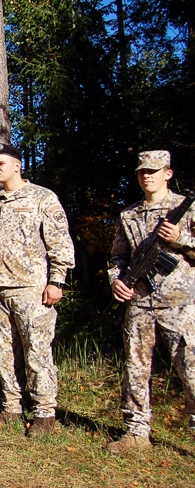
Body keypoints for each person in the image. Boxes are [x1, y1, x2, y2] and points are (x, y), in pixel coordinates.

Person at [0, 143, 75, 437]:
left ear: (18, 166)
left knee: (37, 351)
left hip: (32, 288)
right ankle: (12, 407)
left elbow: (60, 244)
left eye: (1, 163)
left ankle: (44, 412)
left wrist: (57, 280)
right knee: (5, 350)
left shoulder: (42, 198)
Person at [106, 150, 195, 453]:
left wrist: (183, 239)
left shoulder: (186, 208)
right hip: (139, 303)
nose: (147, 176)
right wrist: (116, 281)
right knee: (136, 369)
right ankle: (136, 433)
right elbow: (117, 257)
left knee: (191, 369)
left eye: (154, 170)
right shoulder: (128, 215)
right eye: (142, 171)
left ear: (168, 173)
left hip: (179, 302)